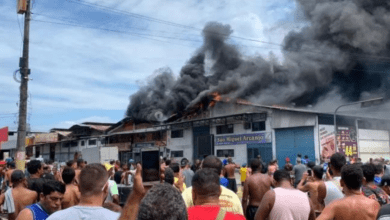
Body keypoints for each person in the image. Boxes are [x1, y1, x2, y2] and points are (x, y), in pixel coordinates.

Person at [47, 164, 120, 220]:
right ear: (106, 187)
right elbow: (115, 197)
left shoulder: (55, 218)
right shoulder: (117, 218)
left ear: (78, 187)